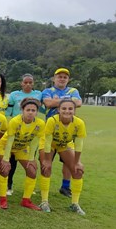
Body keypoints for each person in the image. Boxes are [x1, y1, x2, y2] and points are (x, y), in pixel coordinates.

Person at [38, 99, 87, 215]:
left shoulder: (79, 123)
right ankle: (44, 201)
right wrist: (46, 160)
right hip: (49, 144)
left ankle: (74, 204)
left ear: (75, 111)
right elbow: (48, 141)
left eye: (70, 109)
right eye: (64, 108)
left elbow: (79, 144)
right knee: (46, 168)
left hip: (65, 144)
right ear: (58, 110)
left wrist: (77, 162)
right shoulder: (52, 120)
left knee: (78, 171)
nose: (67, 111)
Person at [41, 67, 82, 198]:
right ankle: (43, 189)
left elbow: (79, 103)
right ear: (54, 78)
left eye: (65, 77)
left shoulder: (73, 90)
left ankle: (65, 187)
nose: (62, 79)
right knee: (46, 161)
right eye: (59, 76)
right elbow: (47, 103)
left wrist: (58, 102)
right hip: (50, 129)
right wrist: (68, 100)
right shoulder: (48, 91)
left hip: (68, 130)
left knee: (68, 162)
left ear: (68, 79)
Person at [0, 98, 45, 210]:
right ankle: (2, 199)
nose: (30, 112)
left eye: (33, 110)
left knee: (32, 171)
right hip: (4, 146)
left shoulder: (40, 123)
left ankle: (26, 200)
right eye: (28, 109)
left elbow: (34, 142)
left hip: (21, 148)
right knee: (5, 170)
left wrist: (31, 158)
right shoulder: (15, 121)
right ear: (22, 110)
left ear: (37, 112)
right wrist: (5, 159)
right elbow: (9, 141)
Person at [4, 73, 42, 195]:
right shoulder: (15, 94)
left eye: (30, 82)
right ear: (21, 83)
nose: (28, 84)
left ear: (33, 83)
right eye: (25, 82)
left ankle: (30, 187)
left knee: (30, 160)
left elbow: (41, 109)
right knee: (11, 162)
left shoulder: (38, 94)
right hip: (15, 129)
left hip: (29, 131)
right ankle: (8, 185)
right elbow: (8, 111)